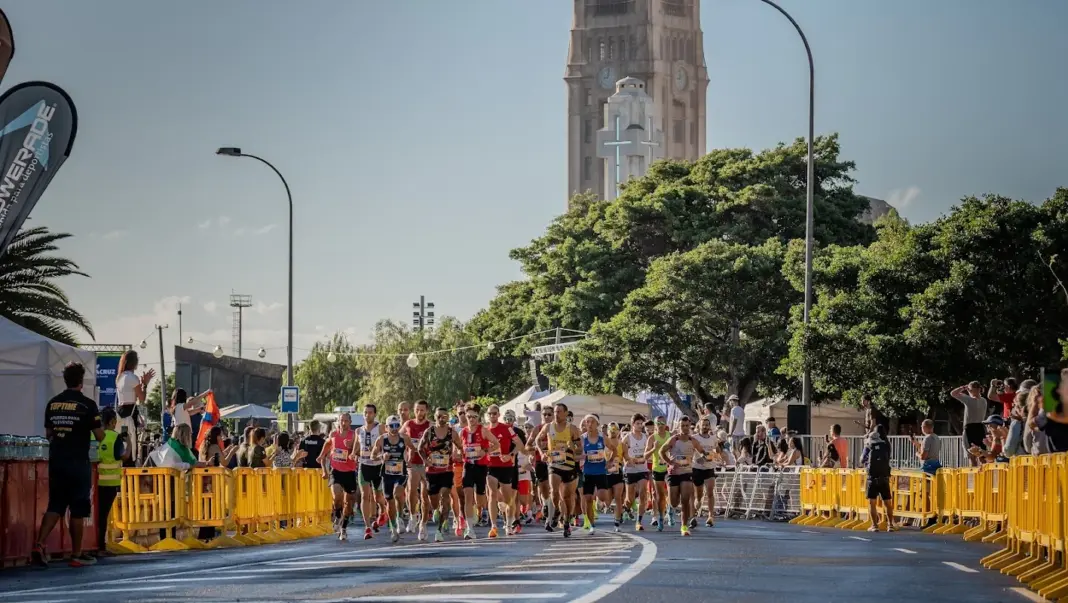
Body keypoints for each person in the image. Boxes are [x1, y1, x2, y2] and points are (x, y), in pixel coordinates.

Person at [33, 363, 104, 567]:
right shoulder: (87, 405)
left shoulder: (53, 403)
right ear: (81, 381)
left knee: (55, 504)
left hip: (57, 460)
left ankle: (39, 544)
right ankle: (76, 554)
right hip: (78, 462)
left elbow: (49, 434)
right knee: (78, 508)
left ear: (65, 380)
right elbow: (99, 435)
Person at [535, 402, 582, 538]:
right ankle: (555, 510)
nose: (556, 414)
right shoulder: (548, 427)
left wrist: (571, 446)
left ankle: (567, 522)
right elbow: (538, 440)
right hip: (554, 464)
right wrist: (542, 452)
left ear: (566, 413)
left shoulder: (572, 429)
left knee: (567, 497)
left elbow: (580, 448)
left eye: (559, 412)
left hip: (569, 465)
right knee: (554, 491)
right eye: (555, 412)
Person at [419, 406, 463, 542]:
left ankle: (438, 531)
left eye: (444, 416)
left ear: (448, 418)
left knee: (445, 496)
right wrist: (426, 460)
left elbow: (461, 447)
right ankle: (436, 510)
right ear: (435, 417)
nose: (441, 419)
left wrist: (459, 454)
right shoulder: (429, 431)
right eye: (439, 416)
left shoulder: (452, 433)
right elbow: (420, 448)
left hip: (447, 470)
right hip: (432, 472)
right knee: (434, 500)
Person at [659, 415, 705, 537]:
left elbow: (704, 453)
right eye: (682, 426)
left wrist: (702, 459)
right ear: (678, 427)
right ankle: (670, 507)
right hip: (674, 473)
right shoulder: (674, 440)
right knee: (674, 502)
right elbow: (661, 452)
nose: (685, 428)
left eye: (687, 426)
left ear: (690, 426)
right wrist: (670, 463)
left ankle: (684, 526)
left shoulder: (693, 441)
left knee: (685, 500)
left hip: (687, 473)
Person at [459, 404, 501, 539]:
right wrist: (459, 453)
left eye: (474, 417)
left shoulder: (483, 431)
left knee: (480, 499)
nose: (471, 419)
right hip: (468, 466)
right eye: (469, 416)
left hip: (481, 467)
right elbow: (457, 449)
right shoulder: (463, 432)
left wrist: (485, 451)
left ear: (478, 417)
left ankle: (480, 510)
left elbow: (496, 444)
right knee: (467, 494)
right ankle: (469, 529)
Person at [94, 407, 131, 556]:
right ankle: (100, 546)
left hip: (93, 482)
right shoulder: (115, 437)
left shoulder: (92, 435)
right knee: (102, 516)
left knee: (93, 515)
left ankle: (91, 545)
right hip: (109, 484)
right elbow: (123, 457)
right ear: (111, 422)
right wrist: (129, 444)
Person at [372, 415, 415, 542]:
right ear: (386, 427)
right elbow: (372, 456)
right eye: (392, 426)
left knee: (398, 493)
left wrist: (409, 460)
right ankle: (394, 527)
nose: (395, 428)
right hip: (387, 474)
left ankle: (400, 516)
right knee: (389, 501)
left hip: (401, 472)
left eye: (397, 426)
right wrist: (382, 456)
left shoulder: (405, 438)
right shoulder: (381, 439)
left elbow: (413, 449)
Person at [317, 412, 358, 541]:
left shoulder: (354, 435)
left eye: (346, 421)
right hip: (336, 470)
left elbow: (360, 450)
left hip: (350, 471)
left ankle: (344, 527)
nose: (343, 423)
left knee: (349, 503)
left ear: (350, 422)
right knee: (337, 495)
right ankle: (337, 515)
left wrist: (352, 449)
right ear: (338, 422)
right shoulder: (333, 434)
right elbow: (328, 443)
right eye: (341, 421)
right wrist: (322, 455)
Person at [114, 350, 155, 466]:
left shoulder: (119, 377)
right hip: (130, 413)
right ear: (135, 363)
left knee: (122, 440)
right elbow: (141, 398)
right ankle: (129, 466)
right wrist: (145, 384)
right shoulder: (133, 378)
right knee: (131, 443)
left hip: (120, 412)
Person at [356, 404, 388, 540]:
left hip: (378, 465)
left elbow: (387, 442)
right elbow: (356, 447)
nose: (367, 415)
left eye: (370, 413)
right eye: (365, 412)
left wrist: (384, 454)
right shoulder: (358, 431)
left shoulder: (380, 428)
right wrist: (352, 453)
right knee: (365, 496)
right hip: (364, 465)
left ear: (375, 414)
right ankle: (367, 527)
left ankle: (384, 511)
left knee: (378, 497)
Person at [402, 400, 432, 536]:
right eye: (417, 410)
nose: (419, 413)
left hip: (426, 464)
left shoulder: (430, 426)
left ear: (426, 411)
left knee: (425, 496)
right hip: (412, 463)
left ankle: (423, 524)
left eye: (422, 410)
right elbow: (397, 436)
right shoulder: (408, 424)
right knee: (411, 491)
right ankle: (413, 516)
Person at [951, 381, 992, 466]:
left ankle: (974, 473)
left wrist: (963, 388)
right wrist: (970, 390)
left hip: (970, 428)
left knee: (971, 455)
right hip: (980, 428)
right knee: (982, 455)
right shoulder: (984, 401)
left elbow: (953, 393)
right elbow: (976, 397)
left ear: (971, 389)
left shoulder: (969, 400)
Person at [621, 414, 650, 532]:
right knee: (630, 498)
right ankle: (625, 508)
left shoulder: (646, 437)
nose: (639, 426)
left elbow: (648, 451)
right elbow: (622, 452)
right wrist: (628, 460)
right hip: (630, 470)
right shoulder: (627, 438)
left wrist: (647, 457)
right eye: (637, 423)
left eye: (641, 423)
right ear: (632, 424)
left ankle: (639, 521)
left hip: (642, 469)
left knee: (643, 493)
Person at [865, 424, 896, 532]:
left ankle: (874, 525)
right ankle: (890, 525)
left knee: (872, 503)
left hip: (872, 477)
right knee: (887, 502)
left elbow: (862, 459)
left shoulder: (869, 445)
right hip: (884, 477)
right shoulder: (886, 445)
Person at [691, 417, 719, 528]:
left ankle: (711, 516)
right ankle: (694, 515)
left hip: (709, 468)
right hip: (697, 468)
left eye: (707, 425)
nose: (705, 427)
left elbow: (717, 453)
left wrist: (711, 456)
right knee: (698, 496)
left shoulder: (713, 438)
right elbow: (690, 452)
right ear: (699, 426)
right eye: (703, 425)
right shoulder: (694, 438)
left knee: (710, 492)